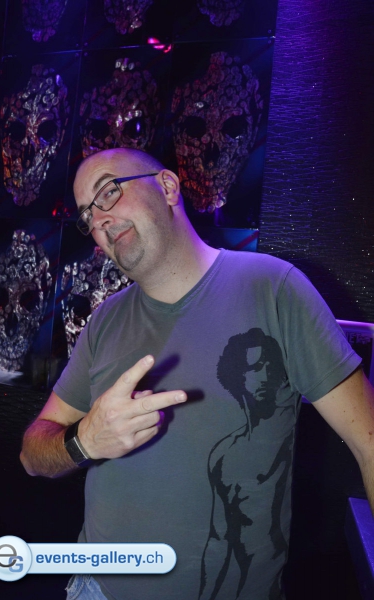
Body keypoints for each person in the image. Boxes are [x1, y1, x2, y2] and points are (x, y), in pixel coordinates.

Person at [20, 148, 374, 600]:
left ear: (167, 187)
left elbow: (369, 444)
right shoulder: (104, 321)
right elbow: (32, 454)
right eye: (87, 215)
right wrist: (84, 440)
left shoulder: (273, 288)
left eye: (108, 192)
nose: (99, 220)